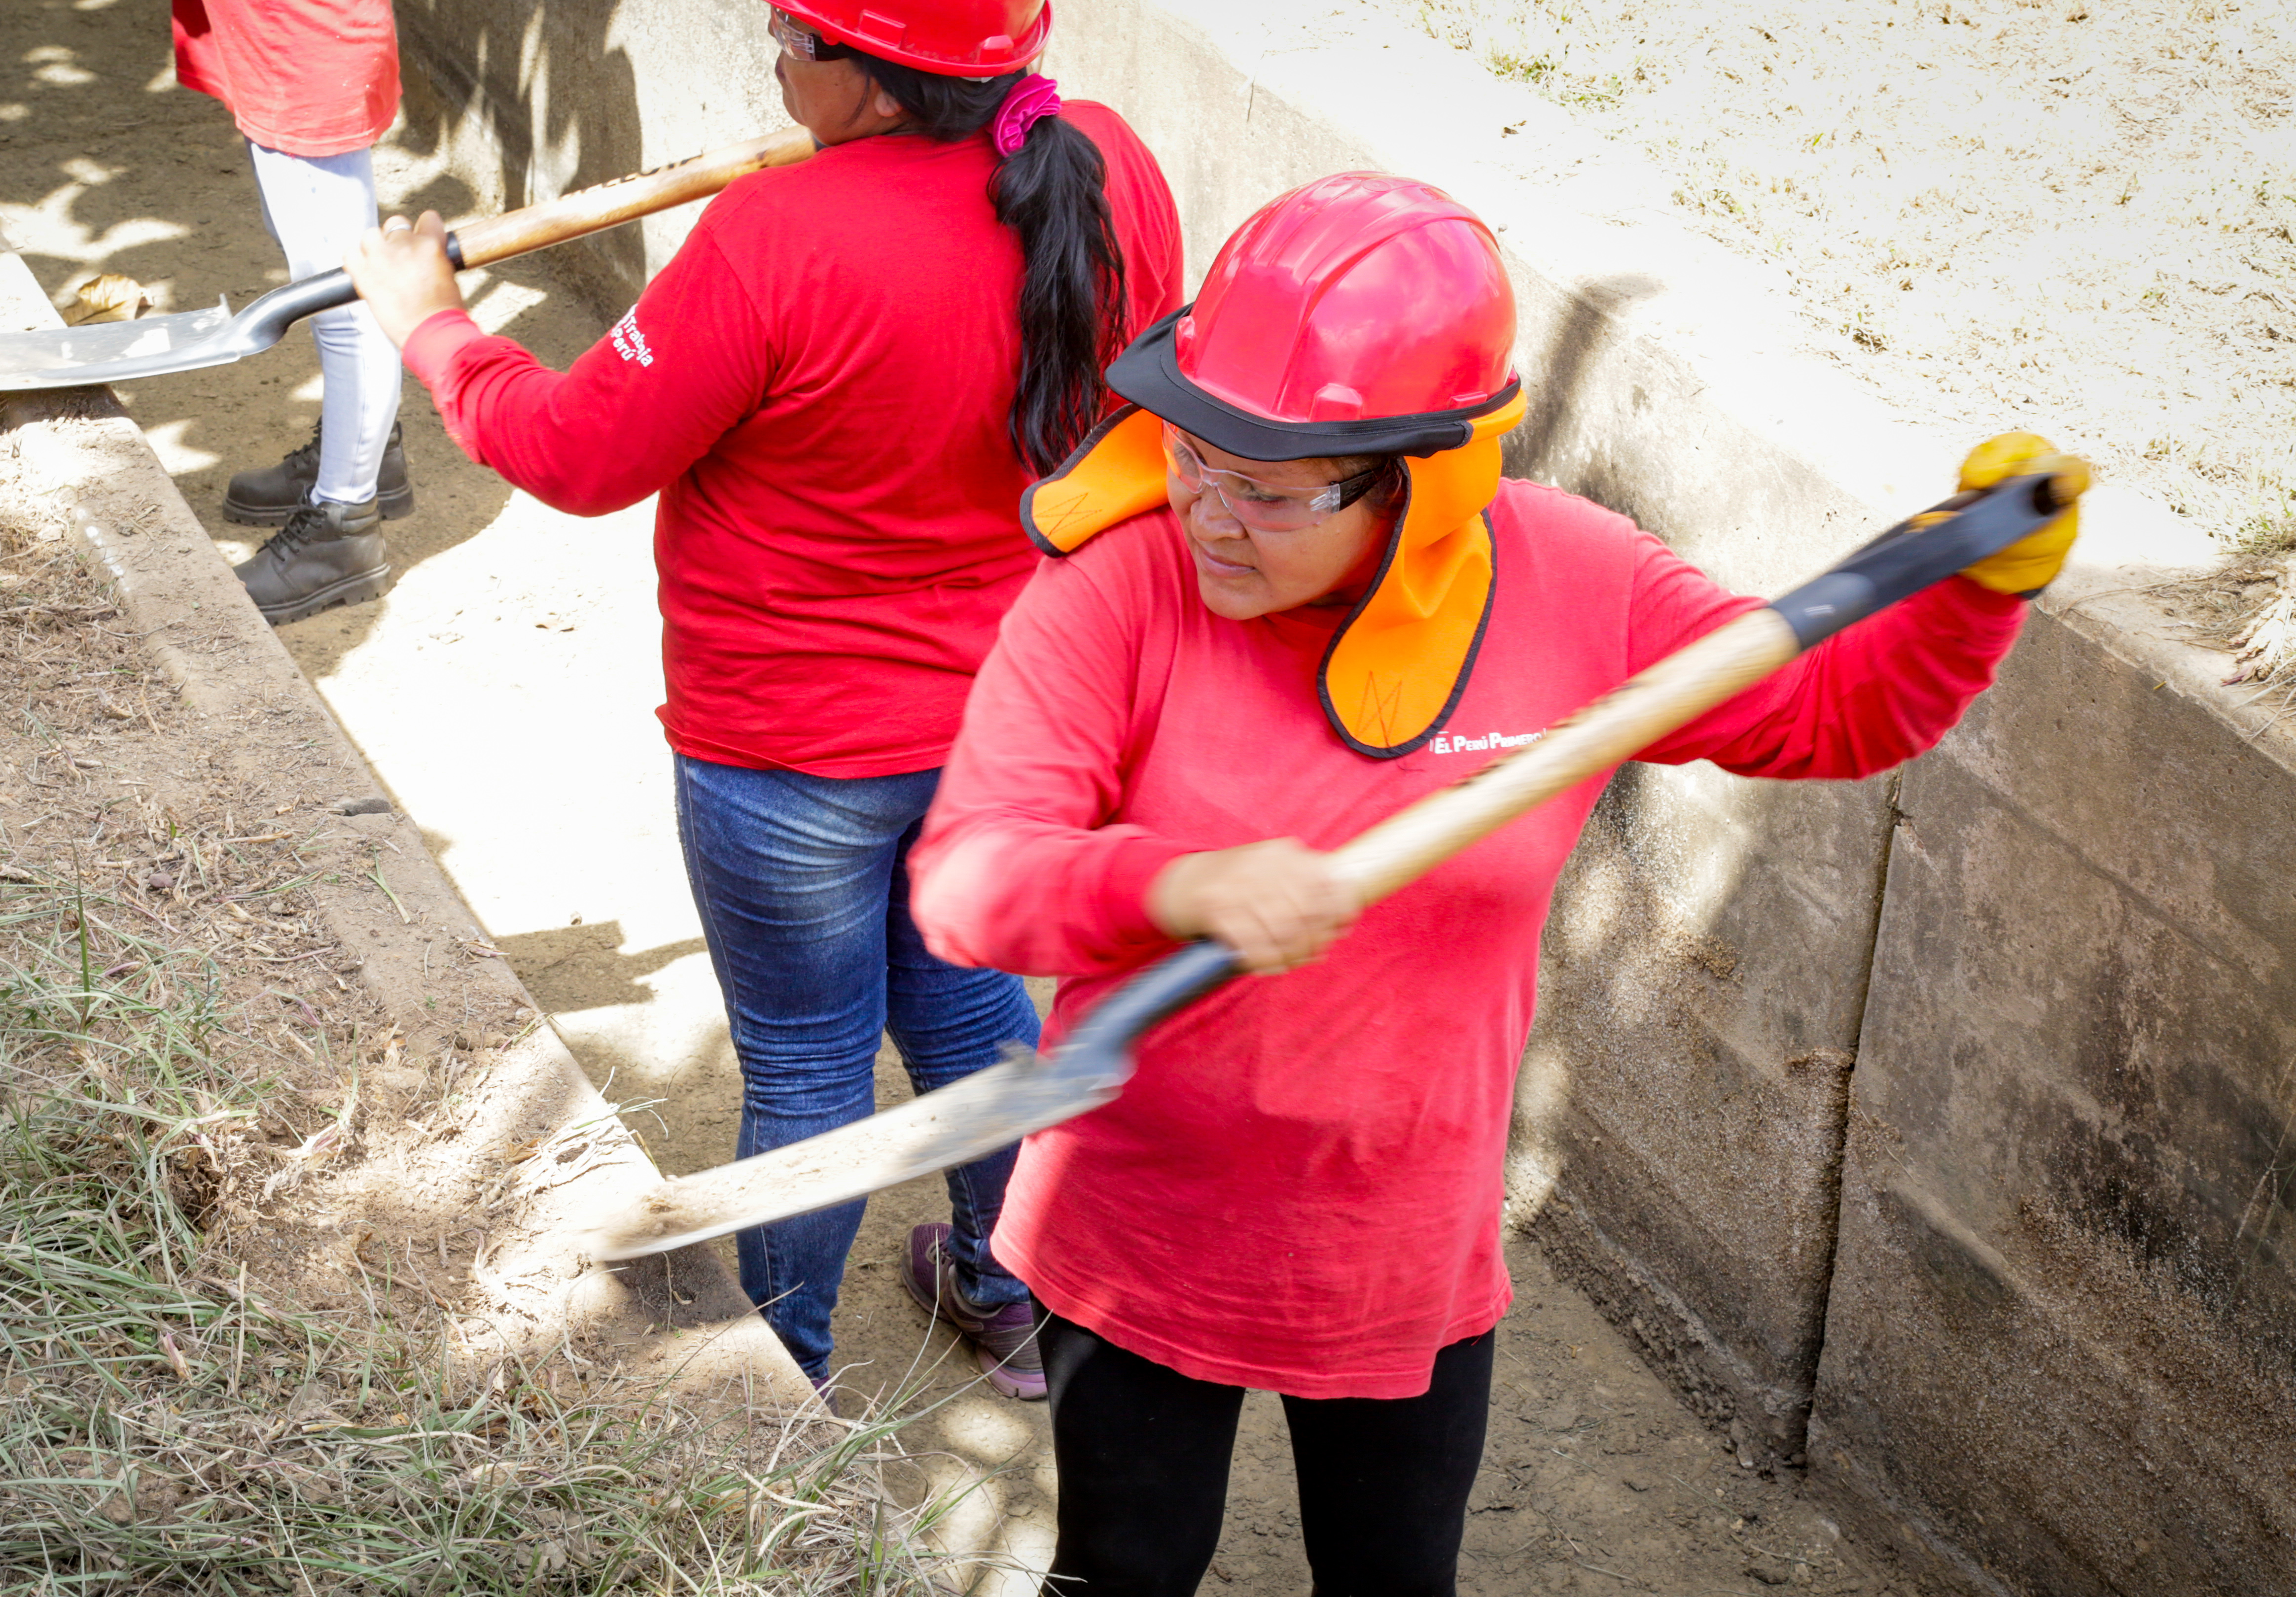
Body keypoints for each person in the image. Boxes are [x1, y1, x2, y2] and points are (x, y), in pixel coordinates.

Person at [907, 173, 2078, 1594]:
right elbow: (970, 881)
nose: (1207, 509)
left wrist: (1973, 592)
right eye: (1192, 451)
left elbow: (1831, 716)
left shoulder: (1577, 584)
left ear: (1420, 475)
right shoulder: (1124, 590)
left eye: (1265, 489)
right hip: (1144, 1229)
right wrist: (1180, 885)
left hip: (1399, 1239)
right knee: (1123, 1576)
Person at [335, 0, 1181, 1398]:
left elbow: (573, 452)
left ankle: (778, 1383)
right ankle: (1013, 1292)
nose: (774, 55)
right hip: (1008, 722)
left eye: (790, 33)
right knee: (976, 1017)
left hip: (791, 750)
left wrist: (436, 331)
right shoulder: (1102, 168)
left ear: (866, 77)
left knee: (805, 1068)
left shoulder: (776, 239)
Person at [172, 0, 419, 625]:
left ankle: (343, 523)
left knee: (340, 292)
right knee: (306, 249)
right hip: (262, 25)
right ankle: (363, 450)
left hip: (302, 28)